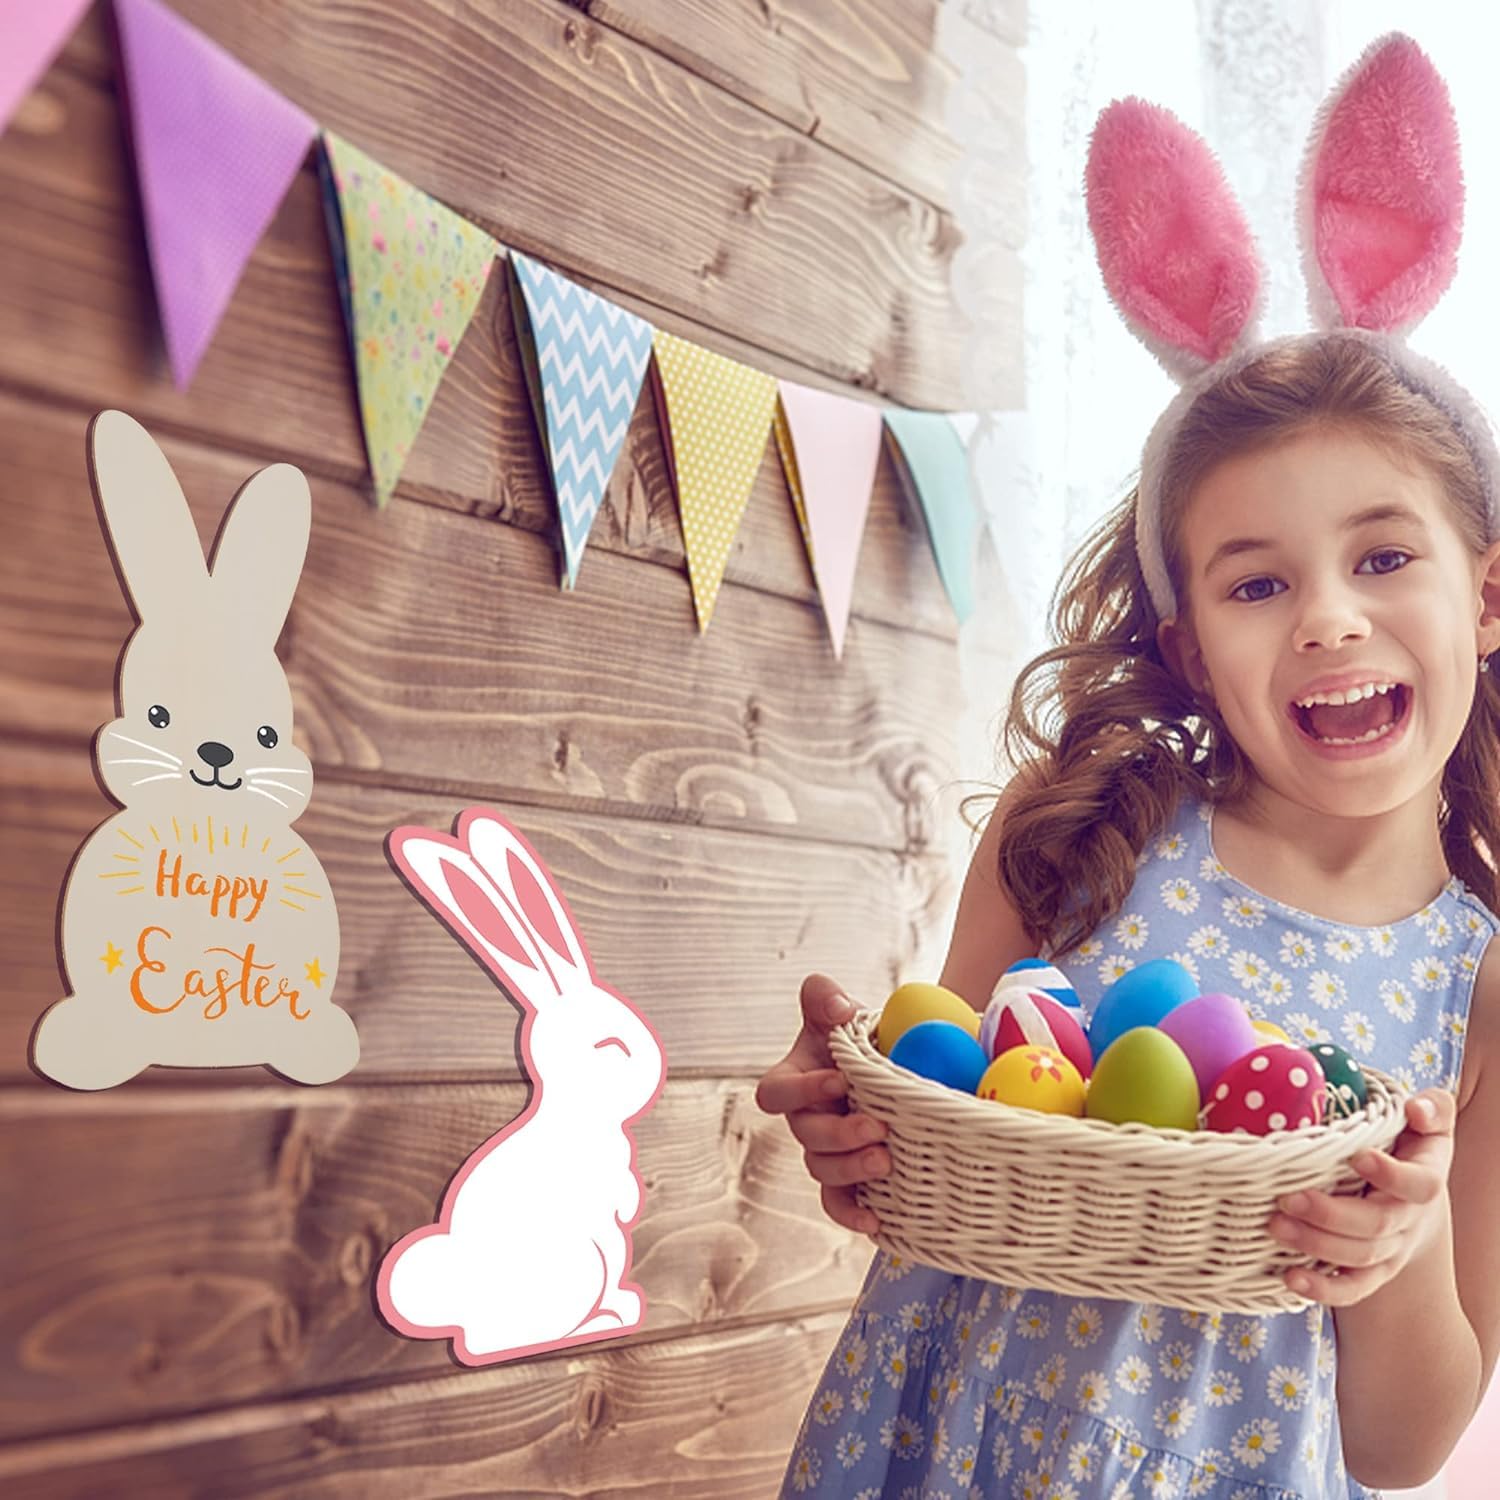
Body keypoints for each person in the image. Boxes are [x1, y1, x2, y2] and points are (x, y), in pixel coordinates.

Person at [757, 34, 1500, 1500]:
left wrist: (1392, 1259)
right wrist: (863, 1126)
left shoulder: (1478, 983)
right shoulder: (1083, 838)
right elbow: (931, 1180)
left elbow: (1406, 1448)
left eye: (1384, 555)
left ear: (1484, 598)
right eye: (1257, 583)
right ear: (1183, 644)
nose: (1331, 616)